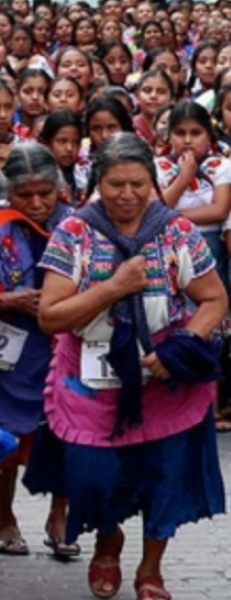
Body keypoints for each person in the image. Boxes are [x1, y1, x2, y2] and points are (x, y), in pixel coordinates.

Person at [36, 132, 228, 600]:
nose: (127, 195)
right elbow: (50, 315)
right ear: (98, 182)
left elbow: (214, 299)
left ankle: (151, 568)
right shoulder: (75, 232)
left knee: (165, 475)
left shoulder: (176, 230)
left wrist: (179, 349)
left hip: (165, 378)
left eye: (138, 184)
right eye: (116, 184)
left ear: (153, 181)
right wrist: (114, 287)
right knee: (93, 474)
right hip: (91, 382)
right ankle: (108, 537)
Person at [0, 143, 73, 558]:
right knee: (5, 437)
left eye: (45, 191)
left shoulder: (77, 225)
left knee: (66, 431)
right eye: (24, 194)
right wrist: (9, 300)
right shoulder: (1, 226)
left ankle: (60, 514)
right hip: (11, 355)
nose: (36, 202)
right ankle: (4, 517)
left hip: (64, 348)